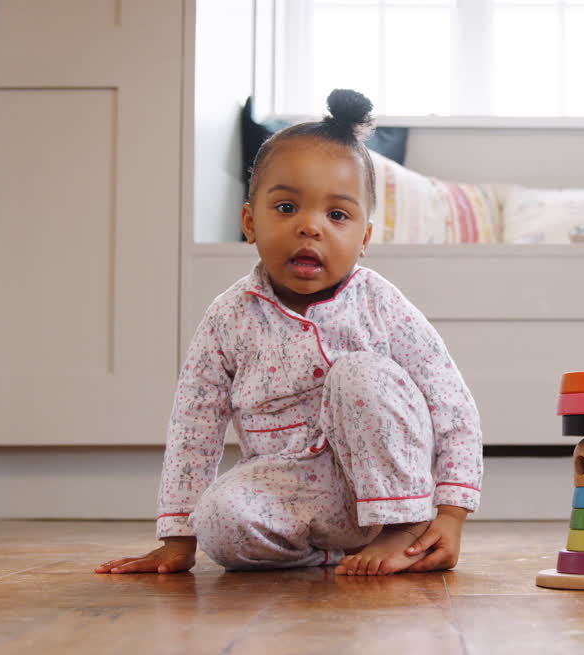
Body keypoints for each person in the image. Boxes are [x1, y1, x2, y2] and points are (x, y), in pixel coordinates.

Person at [95, 89, 482, 576]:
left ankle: (402, 530)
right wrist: (178, 537)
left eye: (337, 215)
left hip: (388, 490)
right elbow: (194, 428)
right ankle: (320, 550)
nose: (310, 227)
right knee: (216, 519)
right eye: (286, 208)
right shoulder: (228, 319)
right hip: (292, 493)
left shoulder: (382, 305)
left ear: (364, 238)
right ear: (249, 222)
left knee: (359, 374)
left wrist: (451, 514)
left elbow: (452, 403)